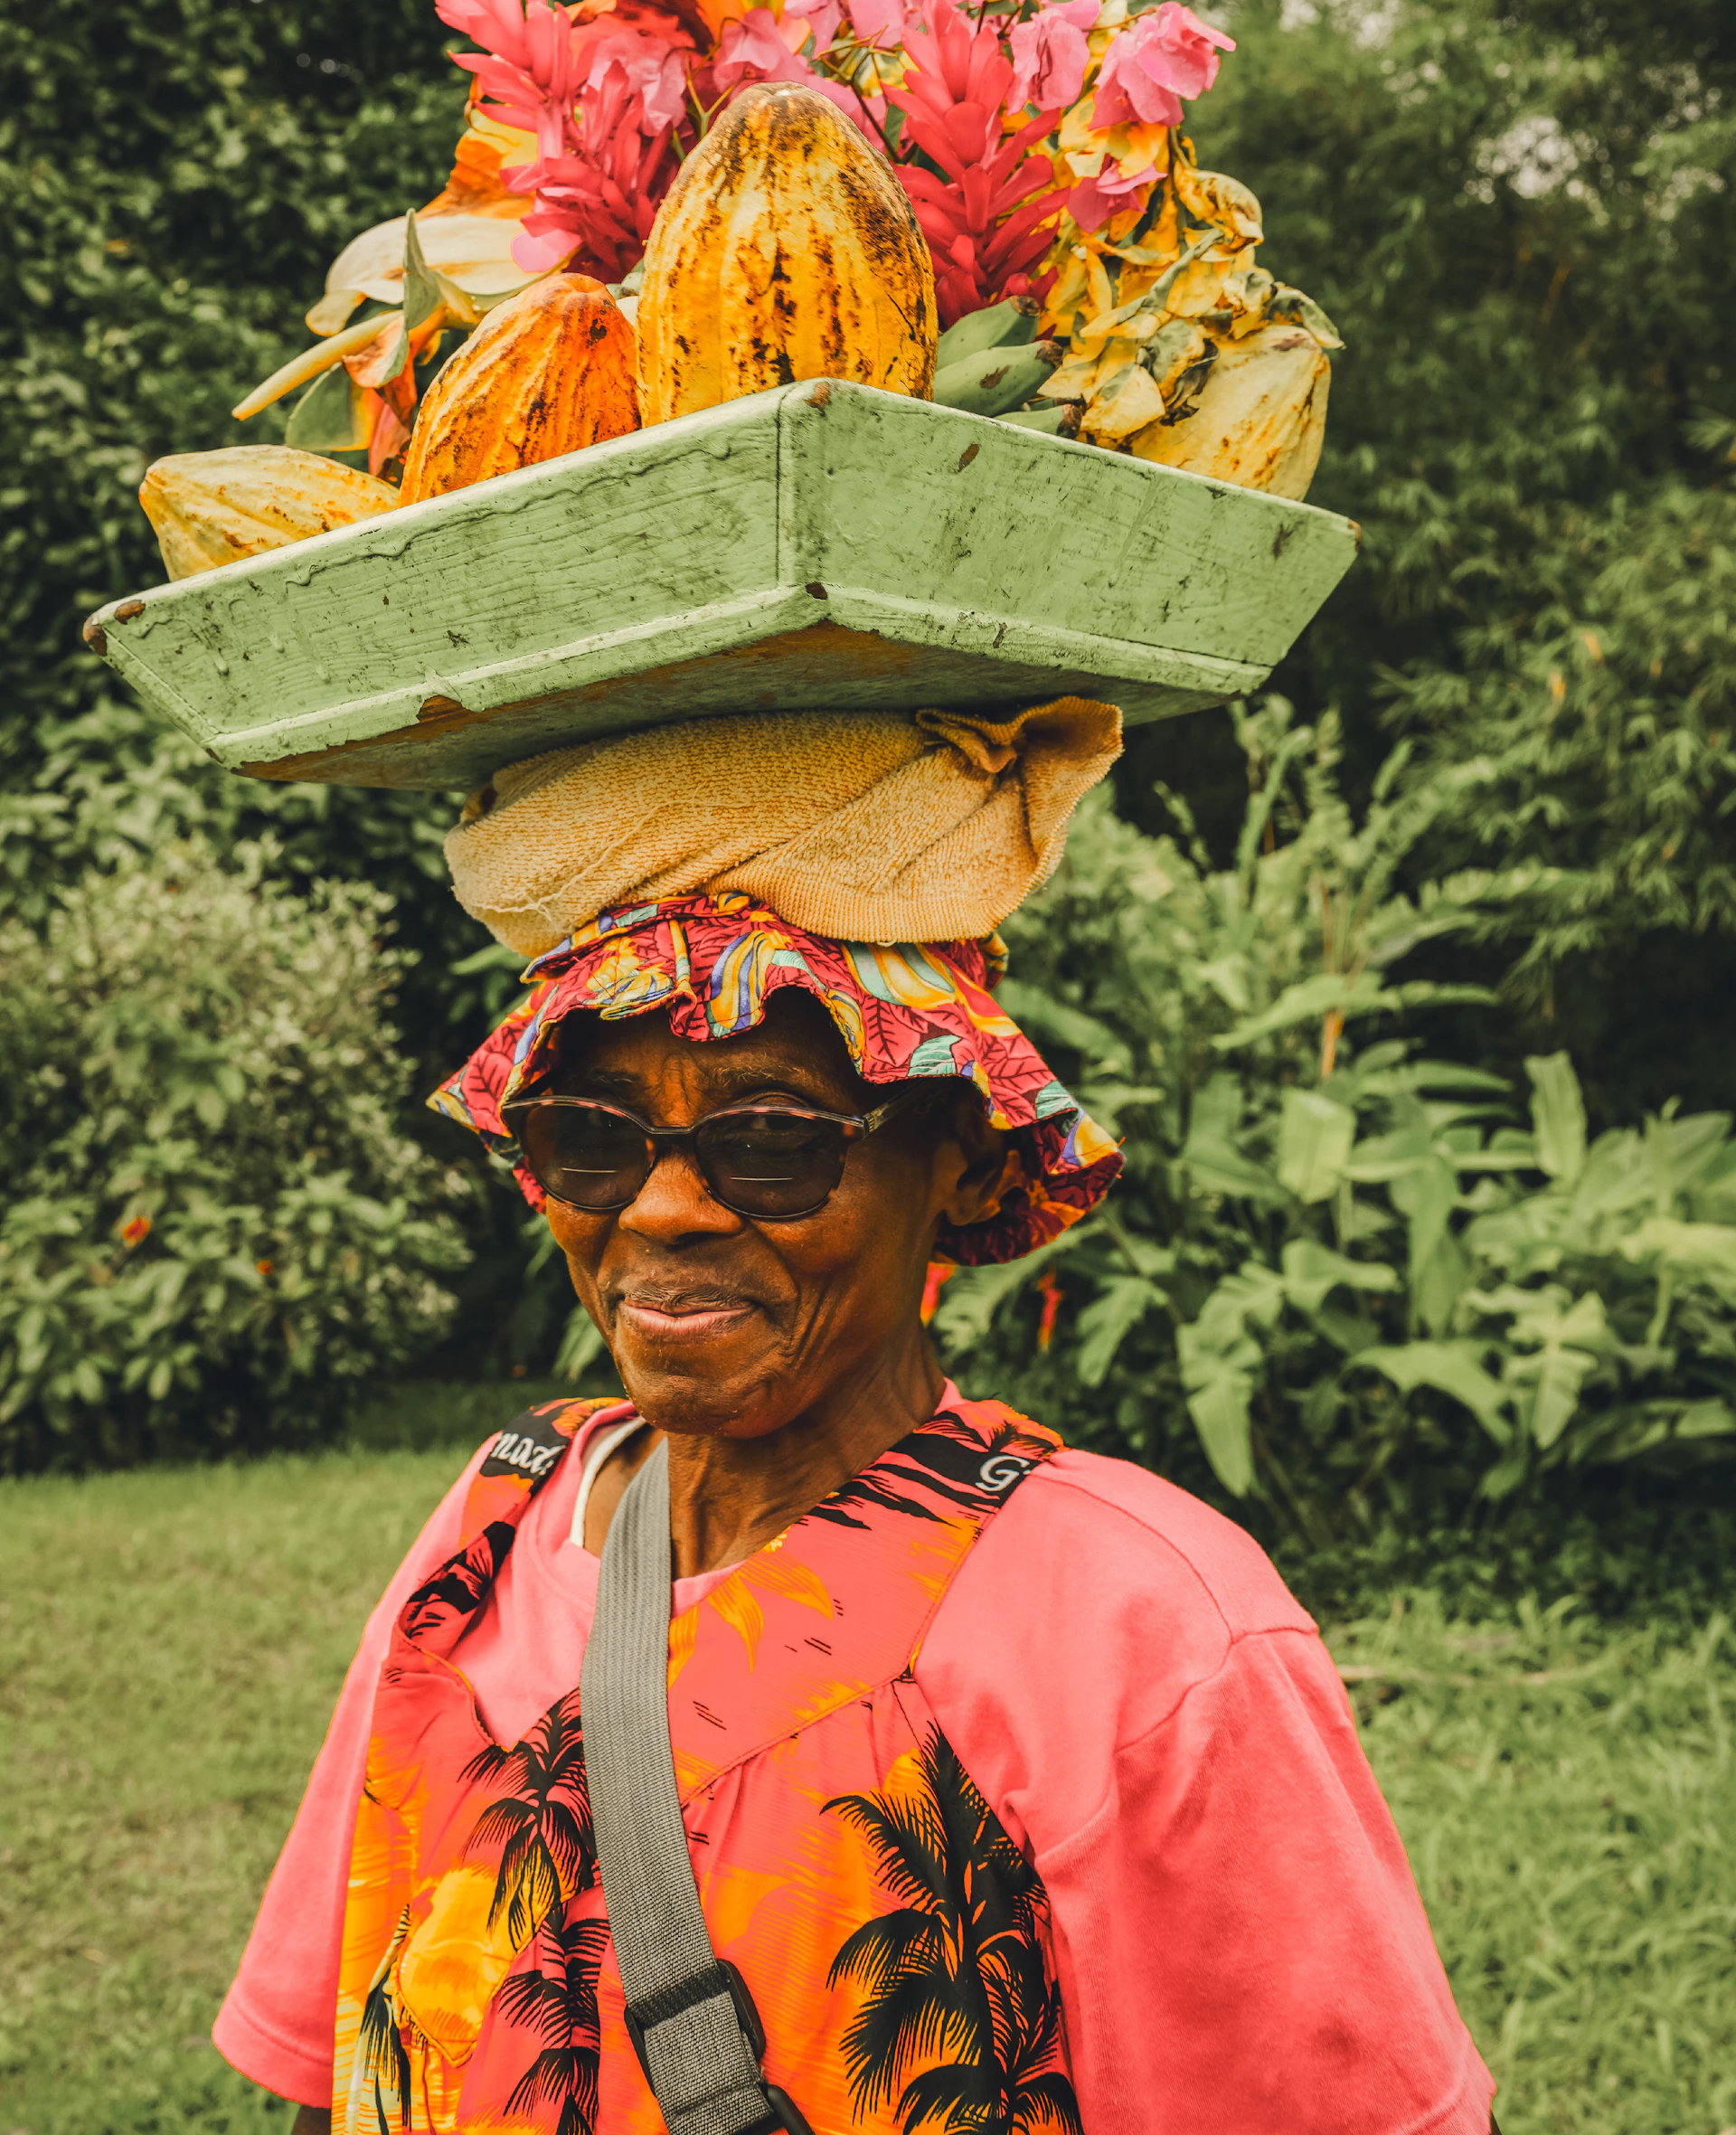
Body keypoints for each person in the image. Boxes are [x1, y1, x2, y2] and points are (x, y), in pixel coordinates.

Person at [212, 873, 1496, 2135]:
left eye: (772, 1141)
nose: (664, 1207)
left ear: (972, 1169)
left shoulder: (1144, 1626)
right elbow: (356, 2061)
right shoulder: (501, 1514)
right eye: (592, 1139)